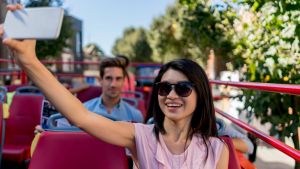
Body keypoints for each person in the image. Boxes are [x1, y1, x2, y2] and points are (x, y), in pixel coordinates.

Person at [0, 6, 228, 169]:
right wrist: (29, 61)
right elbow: (81, 117)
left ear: (201, 95)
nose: (171, 95)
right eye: (164, 88)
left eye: (183, 88)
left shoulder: (217, 149)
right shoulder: (141, 135)